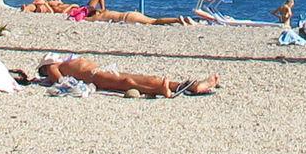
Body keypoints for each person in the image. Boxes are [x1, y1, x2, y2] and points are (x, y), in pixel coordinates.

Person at [38, 55, 218, 99]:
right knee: (128, 82)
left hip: (99, 72)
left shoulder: (61, 63)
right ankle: (159, 89)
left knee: (132, 79)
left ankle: (188, 86)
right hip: (95, 75)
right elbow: (58, 79)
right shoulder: (52, 64)